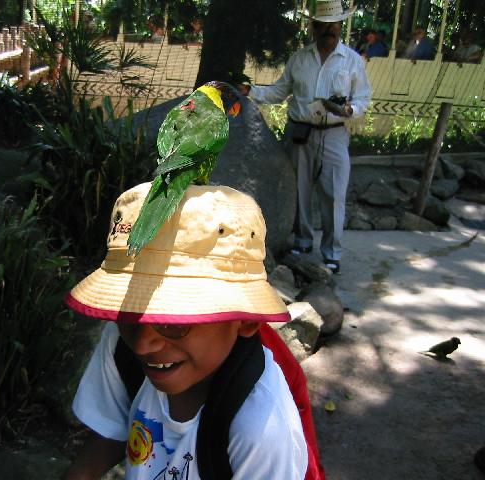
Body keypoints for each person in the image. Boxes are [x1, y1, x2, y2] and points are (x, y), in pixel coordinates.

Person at [61, 183, 310, 479]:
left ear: (246, 320)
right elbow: (111, 429)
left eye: (174, 323)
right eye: (129, 313)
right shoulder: (120, 341)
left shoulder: (260, 428)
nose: (143, 344)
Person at [238, 0, 371, 274]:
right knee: (300, 190)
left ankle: (332, 253)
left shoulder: (353, 61)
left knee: (333, 195)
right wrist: (250, 91)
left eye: (334, 24)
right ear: (313, 27)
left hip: (334, 134)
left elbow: (363, 99)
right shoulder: (299, 59)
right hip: (300, 133)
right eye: (323, 25)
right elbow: (278, 92)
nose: (329, 30)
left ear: (340, 26)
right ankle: (302, 241)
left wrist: (350, 109)